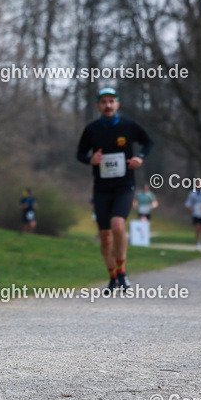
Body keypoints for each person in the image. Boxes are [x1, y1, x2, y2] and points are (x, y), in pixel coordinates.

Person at [76, 88, 154, 291]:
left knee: (118, 226)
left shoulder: (129, 126)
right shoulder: (92, 129)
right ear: (97, 106)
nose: (108, 105)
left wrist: (140, 157)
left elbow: (148, 142)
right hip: (101, 188)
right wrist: (90, 159)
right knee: (105, 235)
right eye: (104, 102)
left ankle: (122, 272)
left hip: (124, 186)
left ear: (118, 104)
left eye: (111, 101)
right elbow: (80, 154)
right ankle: (112, 277)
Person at [185, 178, 201, 251]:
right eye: (197, 183)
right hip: (196, 213)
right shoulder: (192, 193)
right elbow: (188, 203)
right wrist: (190, 207)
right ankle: (198, 243)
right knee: (197, 228)